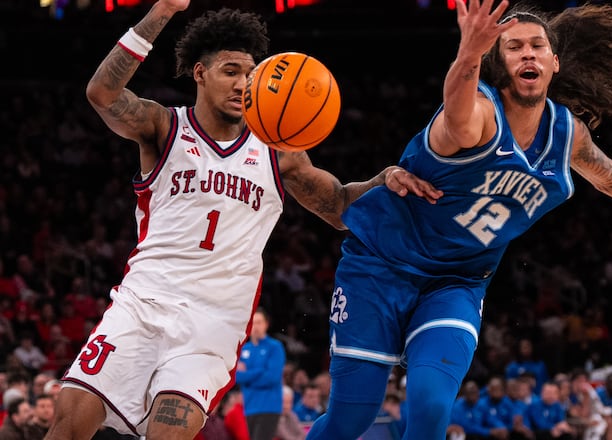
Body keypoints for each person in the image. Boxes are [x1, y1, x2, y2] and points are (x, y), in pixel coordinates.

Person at [304, 1, 612, 439]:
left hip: (457, 282)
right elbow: (458, 118)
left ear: (554, 62)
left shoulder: (566, 134)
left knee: (429, 405)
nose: (528, 53)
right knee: (352, 418)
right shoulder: (479, 113)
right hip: (382, 266)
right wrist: (470, 51)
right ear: (499, 64)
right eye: (515, 46)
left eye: (537, 45)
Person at [43, 0, 441, 439]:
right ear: (200, 73)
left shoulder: (278, 151)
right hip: (143, 301)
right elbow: (102, 94)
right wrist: (160, 12)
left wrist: (383, 181)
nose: (242, 83)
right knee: (67, 424)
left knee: (167, 431)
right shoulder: (163, 126)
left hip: (212, 323)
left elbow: (340, 207)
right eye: (230, 71)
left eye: (249, 75)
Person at [236, 308, 286, 440]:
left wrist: (247, 374)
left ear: (266, 324)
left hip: (269, 406)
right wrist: (259, 371)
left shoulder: (275, 347)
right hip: (249, 406)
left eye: (259, 322)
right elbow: (236, 377)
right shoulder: (244, 349)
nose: (256, 326)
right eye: (253, 322)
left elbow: (272, 378)